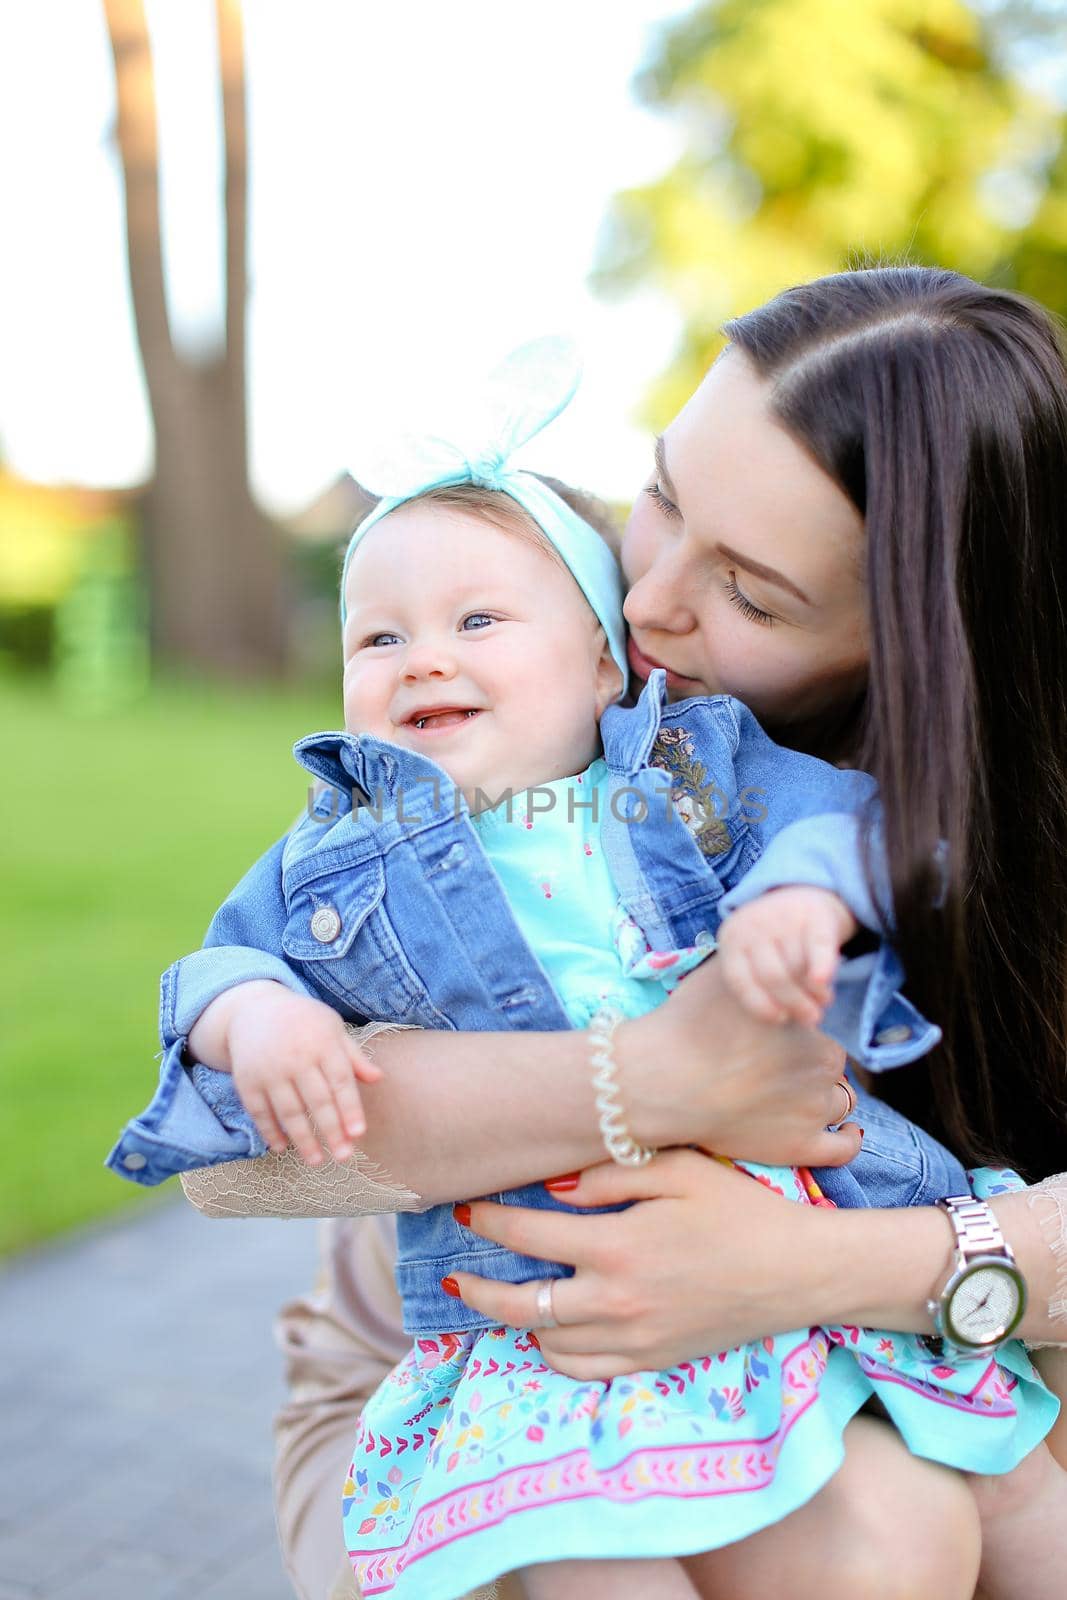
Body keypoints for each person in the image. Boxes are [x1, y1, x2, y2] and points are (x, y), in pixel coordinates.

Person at [122, 269, 1067, 1597]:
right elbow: (246, 1164)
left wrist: (816, 1268)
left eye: (753, 593)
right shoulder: (498, 771)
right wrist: (663, 1081)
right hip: (466, 1373)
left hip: (856, 1340)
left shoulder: (791, 809)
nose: (647, 603)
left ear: (919, 648)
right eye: (664, 494)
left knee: (914, 1529)